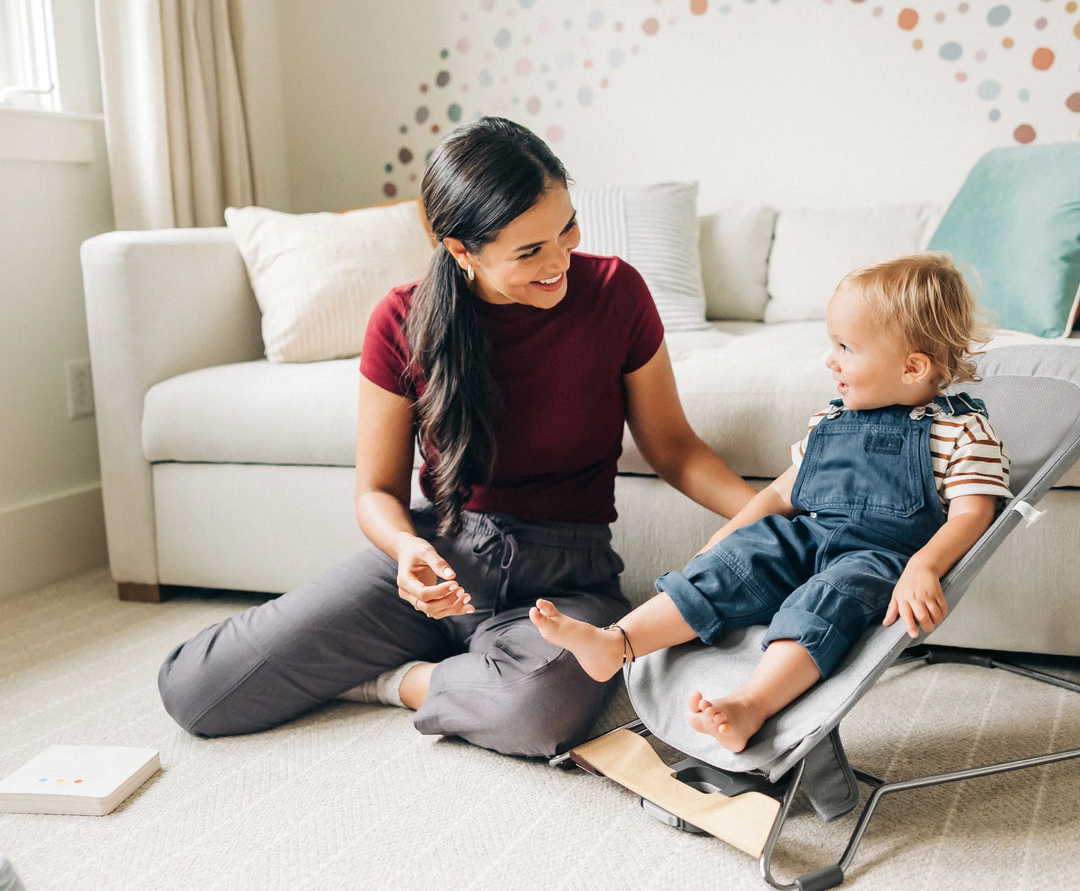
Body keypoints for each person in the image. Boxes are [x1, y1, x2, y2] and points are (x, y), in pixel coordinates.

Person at [157, 116, 755, 757]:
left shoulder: (616, 293)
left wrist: (770, 511)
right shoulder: (402, 319)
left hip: (566, 581)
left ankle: (402, 681)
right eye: (529, 251)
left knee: (536, 715)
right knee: (198, 689)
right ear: (460, 250)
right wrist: (405, 552)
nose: (559, 261)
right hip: (441, 555)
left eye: (567, 229)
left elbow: (673, 447)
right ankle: (460, 665)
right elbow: (376, 492)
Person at [530, 253, 1011, 754]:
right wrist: (728, 536)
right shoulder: (832, 421)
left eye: (846, 348)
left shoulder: (959, 431)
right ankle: (617, 643)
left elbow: (974, 512)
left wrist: (923, 566)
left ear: (912, 367)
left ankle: (749, 705)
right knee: (742, 557)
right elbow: (781, 492)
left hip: (879, 559)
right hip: (811, 537)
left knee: (825, 600)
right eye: (832, 344)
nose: (831, 360)